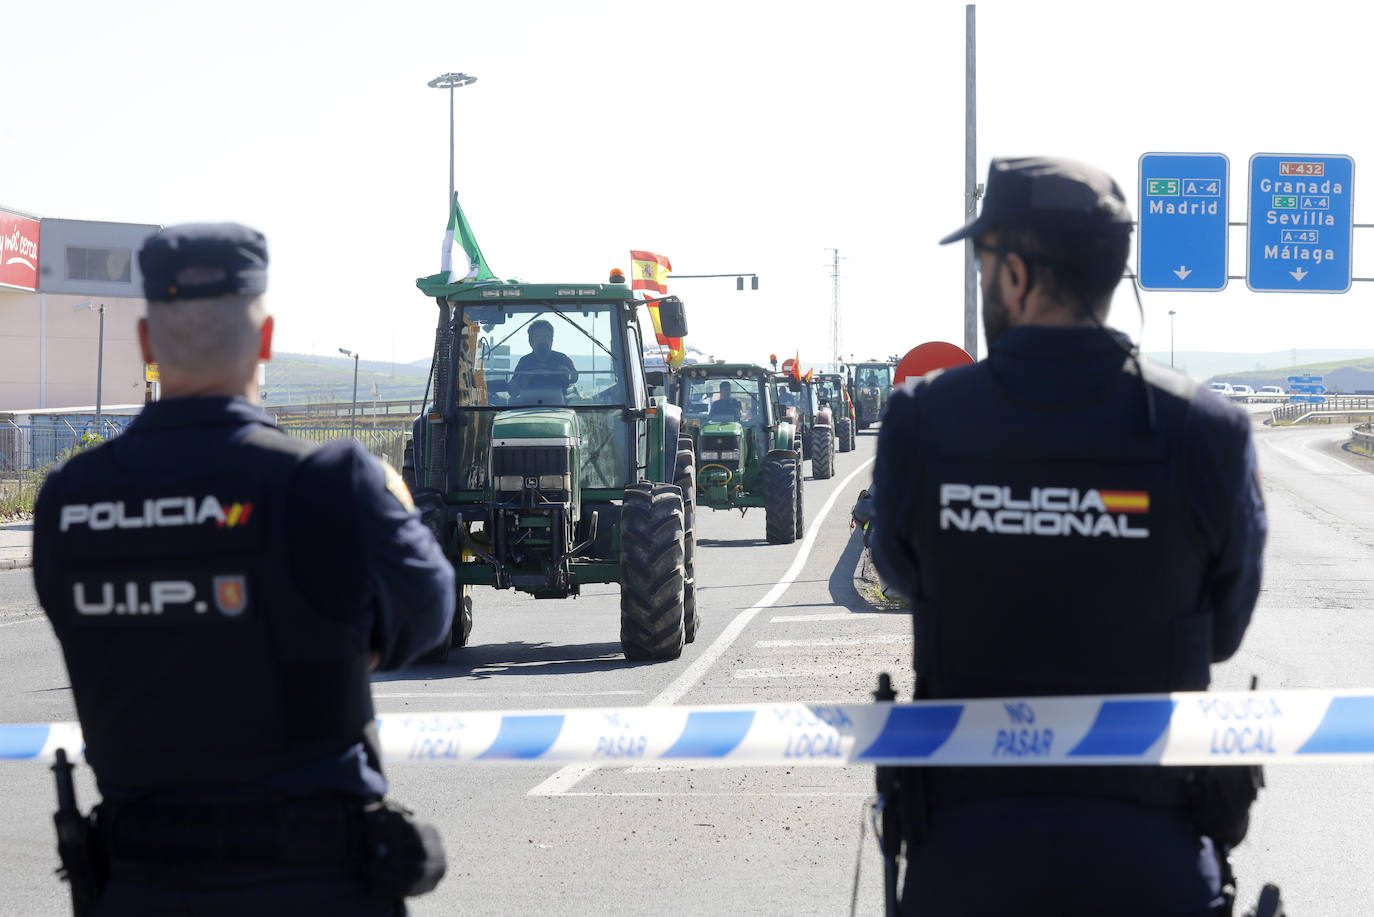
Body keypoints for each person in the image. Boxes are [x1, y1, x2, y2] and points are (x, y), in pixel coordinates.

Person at [870, 158, 1267, 917]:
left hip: (965, 864)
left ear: (1015, 275)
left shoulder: (922, 421)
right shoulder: (1208, 431)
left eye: (985, 262)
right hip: (1156, 866)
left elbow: (898, 567)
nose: (985, 280)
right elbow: (1224, 630)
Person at [33, 223, 456, 916]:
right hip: (312, 886)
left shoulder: (67, 502)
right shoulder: (333, 484)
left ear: (146, 344)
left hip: (140, 888)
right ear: (265, 343)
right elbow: (427, 619)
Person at [508, 318, 578, 396]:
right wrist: (526, 376)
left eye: (546, 336)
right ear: (530, 341)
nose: (543, 340)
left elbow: (574, 377)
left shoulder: (562, 358)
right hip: (529, 405)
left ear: (552, 340)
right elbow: (513, 390)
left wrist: (566, 372)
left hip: (560, 405)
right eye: (538, 337)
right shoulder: (524, 361)